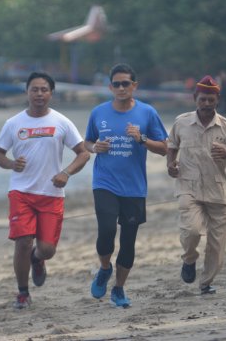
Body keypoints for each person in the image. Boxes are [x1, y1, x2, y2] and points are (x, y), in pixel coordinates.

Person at [0, 71, 90, 309]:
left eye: (44, 90)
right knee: (22, 242)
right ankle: (23, 293)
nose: (39, 94)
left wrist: (65, 173)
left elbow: (84, 152)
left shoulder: (61, 122)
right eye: (34, 89)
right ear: (27, 92)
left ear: (51, 93)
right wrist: (11, 164)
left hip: (51, 194)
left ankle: (37, 259)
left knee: (46, 249)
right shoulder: (13, 123)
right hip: (21, 192)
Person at [85, 63, 168, 307]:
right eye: (117, 84)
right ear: (110, 87)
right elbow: (87, 142)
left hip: (134, 187)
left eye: (126, 83)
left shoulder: (147, 113)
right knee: (107, 232)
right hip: (104, 182)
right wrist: (94, 147)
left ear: (134, 86)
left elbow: (164, 148)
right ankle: (104, 268)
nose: (121, 88)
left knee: (128, 241)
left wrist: (141, 138)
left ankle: (119, 289)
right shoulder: (98, 112)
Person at [166, 75, 226, 295]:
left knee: (217, 244)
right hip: (187, 186)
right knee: (191, 231)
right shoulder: (181, 122)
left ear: (217, 99)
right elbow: (171, 145)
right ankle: (189, 259)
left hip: (217, 188)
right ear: (195, 98)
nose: (207, 104)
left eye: (211, 100)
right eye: (203, 99)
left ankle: (206, 283)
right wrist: (170, 164)